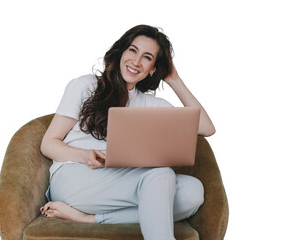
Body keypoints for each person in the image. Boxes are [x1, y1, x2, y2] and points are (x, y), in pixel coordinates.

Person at [39, 24, 215, 240]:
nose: (136, 61)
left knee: (192, 192)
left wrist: (174, 80)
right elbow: (48, 143)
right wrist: (85, 156)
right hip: (74, 176)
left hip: (127, 179)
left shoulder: (153, 105)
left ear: (153, 68)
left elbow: (206, 128)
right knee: (161, 174)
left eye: (147, 57)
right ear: (121, 52)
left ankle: (89, 218)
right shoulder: (85, 85)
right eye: (132, 50)